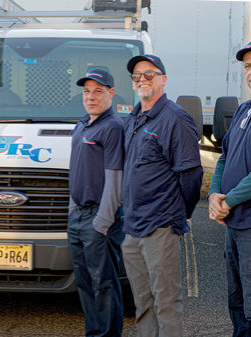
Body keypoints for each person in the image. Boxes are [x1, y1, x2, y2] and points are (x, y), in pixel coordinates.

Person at [121, 55, 203, 337]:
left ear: (163, 80)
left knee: (166, 304)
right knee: (143, 304)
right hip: (132, 229)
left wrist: (179, 213)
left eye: (149, 74)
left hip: (160, 228)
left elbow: (191, 175)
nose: (142, 79)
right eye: (137, 76)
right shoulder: (133, 118)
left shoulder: (175, 118)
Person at [68, 68, 125, 337]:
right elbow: (75, 170)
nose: (91, 97)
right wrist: (72, 210)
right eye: (87, 91)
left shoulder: (113, 127)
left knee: (104, 285)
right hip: (78, 217)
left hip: (98, 220)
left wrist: (103, 221)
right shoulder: (82, 125)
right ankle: (94, 333)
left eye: (98, 91)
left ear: (111, 93)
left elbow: (116, 178)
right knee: (85, 284)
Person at [208, 42, 251, 336]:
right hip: (234, 224)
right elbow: (224, 157)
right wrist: (213, 195)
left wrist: (229, 200)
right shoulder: (243, 110)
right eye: (248, 66)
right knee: (236, 301)